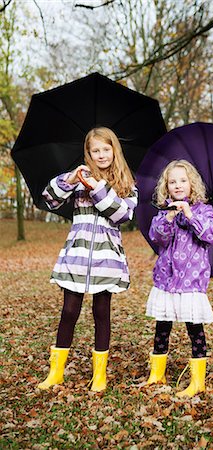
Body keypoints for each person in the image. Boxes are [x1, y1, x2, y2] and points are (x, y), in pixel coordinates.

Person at [38, 127, 138, 392]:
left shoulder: (127, 184)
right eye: (96, 150)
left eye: (106, 149)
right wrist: (71, 180)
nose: (102, 154)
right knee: (69, 311)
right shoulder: (79, 176)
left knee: (101, 312)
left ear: (114, 149)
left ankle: (100, 375)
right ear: (88, 153)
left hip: (107, 258)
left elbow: (122, 216)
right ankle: (56, 372)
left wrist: (98, 189)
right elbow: (50, 199)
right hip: (78, 254)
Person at [146, 159, 213, 397]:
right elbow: (157, 238)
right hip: (166, 279)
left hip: (191, 280)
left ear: (192, 184)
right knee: (162, 325)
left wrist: (190, 215)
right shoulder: (163, 213)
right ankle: (156, 374)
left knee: (194, 327)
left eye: (183, 180)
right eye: (172, 182)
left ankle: (197, 380)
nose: (178, 185)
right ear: (166, 187)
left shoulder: (204, 210)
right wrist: (169, 218)